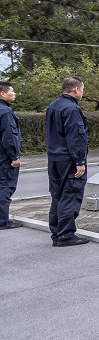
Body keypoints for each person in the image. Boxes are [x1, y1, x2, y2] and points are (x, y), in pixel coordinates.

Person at [45, 76, 89, 246]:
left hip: (54, 157)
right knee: (70, 194)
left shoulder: (52, 106)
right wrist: (79, 161)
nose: (83, 92)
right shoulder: (71, 109)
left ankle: (57, 231)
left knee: (57, 195)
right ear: (76, 89)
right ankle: (66, 234)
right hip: (68, 159)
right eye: (83, 88)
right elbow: (75, 137)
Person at [0, 82, 22, 230]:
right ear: (2, 93)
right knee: (5, 186)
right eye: (12, 91)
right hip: (4, 158)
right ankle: (3, 220)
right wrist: (14, 156)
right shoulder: (6, 112)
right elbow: (9, 136)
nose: (14, 94)